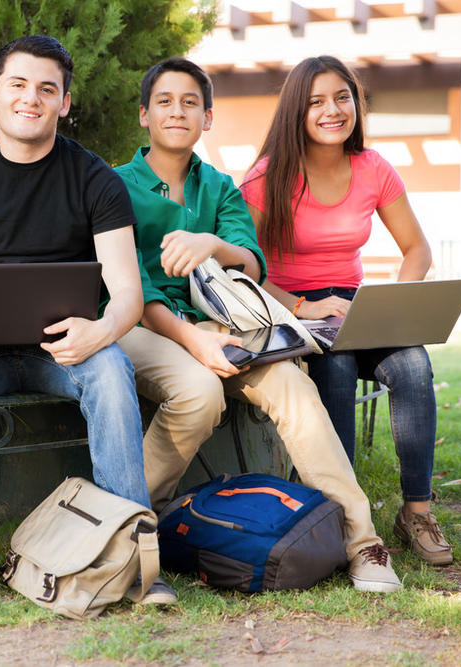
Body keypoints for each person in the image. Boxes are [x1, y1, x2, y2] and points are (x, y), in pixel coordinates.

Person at [0, 35, 171, 610]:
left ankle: (133, 561)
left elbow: (128, 292)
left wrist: (100, 332)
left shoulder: (95, 179)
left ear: (64, 103)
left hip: (66, 348)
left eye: (47, 89)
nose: (31, 98)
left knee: (111, 372)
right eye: (18, 85)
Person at [113, 57, 401, 593]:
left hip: (223, 328)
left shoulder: (220, 187)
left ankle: (362, 541)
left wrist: (212, 245)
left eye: (191, 103)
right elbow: (134, 289)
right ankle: (125, 531)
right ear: (144, 115)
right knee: (199, 394)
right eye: (164, 102)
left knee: (294, 386)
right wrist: (193, 340)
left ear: (208, 117)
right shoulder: (115, 187)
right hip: (143, 326)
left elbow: (251, 264)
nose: (178, 112)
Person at [240, 55, 452, 567]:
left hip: (353, 307)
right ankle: (342, 518)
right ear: (297, 111)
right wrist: (301, 305)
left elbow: (417, 249)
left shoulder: (373, 167)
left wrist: (396, 305)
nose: (332, 110)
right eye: (316, 102)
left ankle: (416, 513)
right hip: (290, 310)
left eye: (342, 97)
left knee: (413, 364)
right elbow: (242, 269)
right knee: (334, 369)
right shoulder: (267, 176)